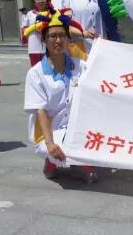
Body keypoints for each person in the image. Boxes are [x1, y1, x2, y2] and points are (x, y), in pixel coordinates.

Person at [23, 10, 95, 181]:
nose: (58, 40)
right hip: (51, 131)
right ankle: (53, 160)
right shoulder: (36, 73)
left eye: (62, 35)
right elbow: (41, 111)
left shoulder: (81, 66)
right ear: (44, 40)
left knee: (99, 144)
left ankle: (76, 163)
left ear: (69, 39)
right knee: (62, 149)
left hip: (78, 127)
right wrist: (49, 143)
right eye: (52, 36)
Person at [23, 0, 51, 66]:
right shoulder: (30, 14)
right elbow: (24, 28)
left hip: (48, 48)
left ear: (47, 0)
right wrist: (33, 28)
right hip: (34, 48)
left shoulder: (51, 13)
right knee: (35, 69)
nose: (40, 1)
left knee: (48, 69)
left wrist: (44, 30)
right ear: (34, 1)